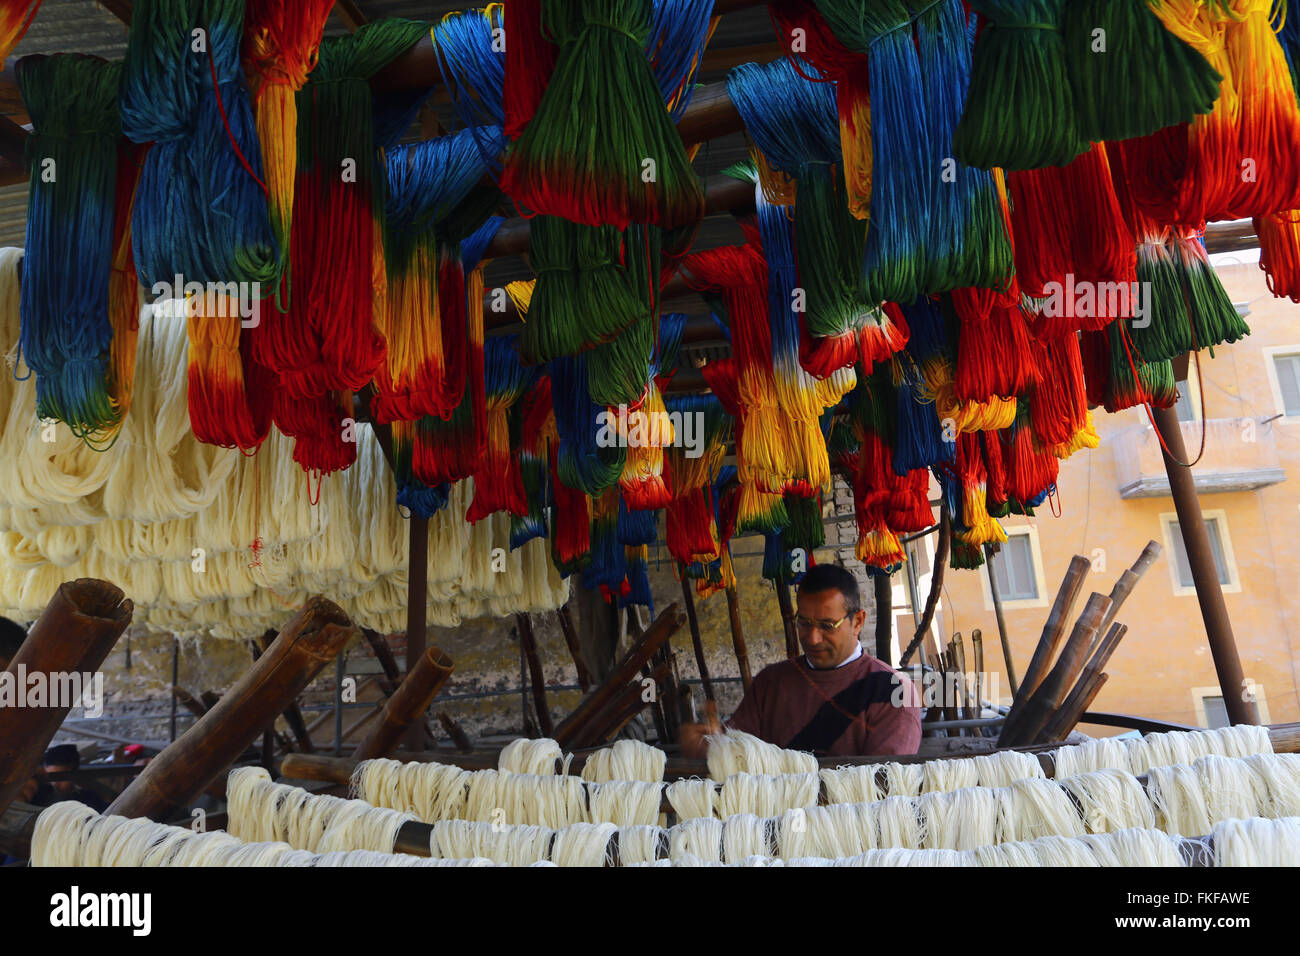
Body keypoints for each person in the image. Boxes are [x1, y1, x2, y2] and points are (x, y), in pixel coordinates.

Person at [679, 563, 922, 759]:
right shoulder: (771, 683)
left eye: (827, 626)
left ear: (857, 621)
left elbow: (884, 789)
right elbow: (736, 752)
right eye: (804, 623)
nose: (813, 639)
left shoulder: (893, 693)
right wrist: (708, 746)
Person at [42, 744, 108, 812]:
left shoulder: (90, 799)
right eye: (50, 778)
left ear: (75, 774)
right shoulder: (41, 795)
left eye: (61, 778)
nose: (55, 784)